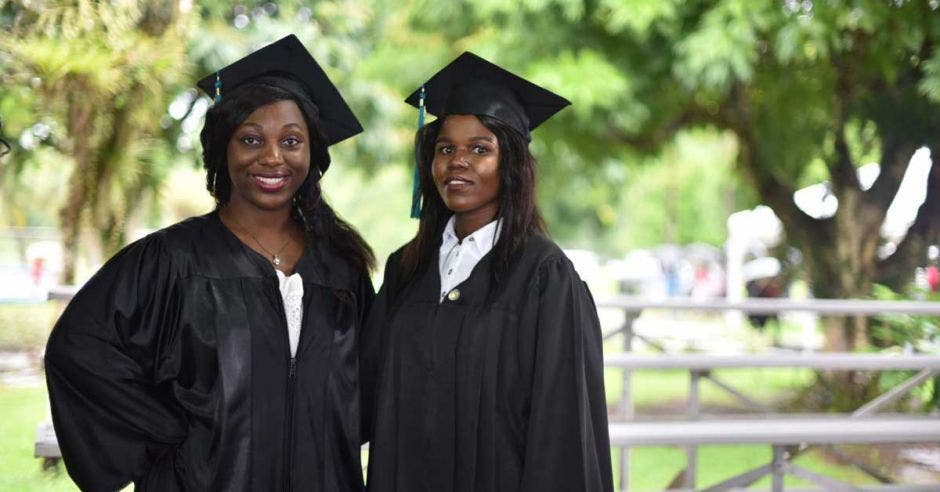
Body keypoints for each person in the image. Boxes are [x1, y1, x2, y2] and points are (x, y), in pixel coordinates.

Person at [44, 35, 375, 491]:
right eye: (251, 139)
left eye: (291, 141)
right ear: (224, 149)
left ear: (312, 155)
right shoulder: (172, 259)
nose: (272, 157)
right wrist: (170, 432)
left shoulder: (341, 268)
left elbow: (370, 385)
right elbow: (81, 348)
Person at [361, 53, 613, 491]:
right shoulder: (407, 268)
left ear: (511, 164)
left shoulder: (545, 277)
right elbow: (360, 394)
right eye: (446, 148)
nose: (458, 161)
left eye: (480, 149)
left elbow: (563, 432)